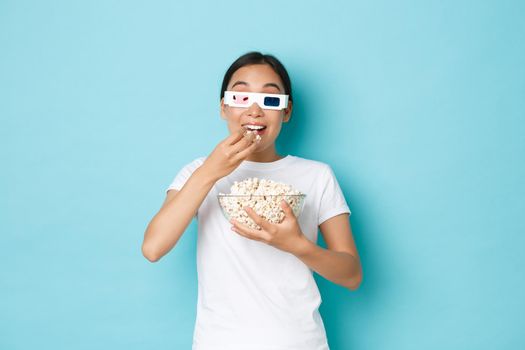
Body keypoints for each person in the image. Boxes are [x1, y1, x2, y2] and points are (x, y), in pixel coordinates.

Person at [142, 51, 363, 350]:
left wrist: (296, 245)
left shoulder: (317, 176)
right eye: (241, 98)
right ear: (223, 107)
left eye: (271, 100)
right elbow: (153, 247)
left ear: (286, 112)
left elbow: (351, 275)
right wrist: (210, 171)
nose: (255, 111)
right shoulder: (196, 172)